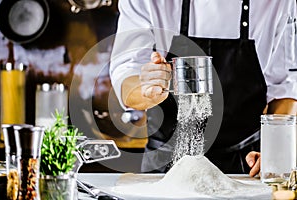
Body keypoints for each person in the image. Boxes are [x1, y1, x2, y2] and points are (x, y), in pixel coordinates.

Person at [110, 0, 297, 174]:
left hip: (245, 165)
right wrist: (147, 90)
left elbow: (284, 88)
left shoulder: (278, 3)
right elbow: (126, 74)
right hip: (166, 166)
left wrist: (276, 150)